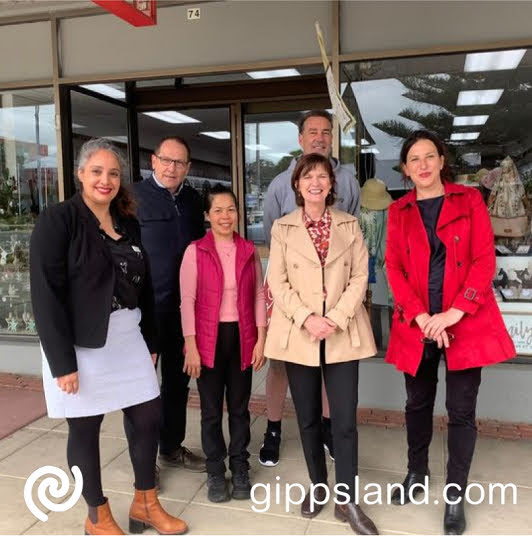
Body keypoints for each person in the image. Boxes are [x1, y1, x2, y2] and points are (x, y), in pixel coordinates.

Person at [30, 138, 187, 535]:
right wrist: (62, 363)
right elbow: (45, 295)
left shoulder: (126, 221)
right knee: (85, 428)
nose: (106, 180)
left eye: (113, 173)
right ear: (80, 173)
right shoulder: (58, 220)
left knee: (148, 416)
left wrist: (150, 341)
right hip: (80, 343)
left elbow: (144, 285)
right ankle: (97, 515)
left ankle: (145, 503)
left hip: (127, 336)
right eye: (97, 171)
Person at [384, 130, 516, 535]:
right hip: (419, 324)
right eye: (414, 159)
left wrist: (453, 313)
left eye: (430, 156)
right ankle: (416, 472)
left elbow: (483, 259)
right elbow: (394, 268)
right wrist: (423, 316)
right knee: (417, 404)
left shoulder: (469, 200)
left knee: (461, 410)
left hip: (465, 321)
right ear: (406, 169)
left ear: (442, 161)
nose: (423, 165)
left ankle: (455, 493)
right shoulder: (399, 211)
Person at [264, 153, 378, 535]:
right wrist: (307, 318)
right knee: (309, 417)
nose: (315, 182)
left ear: (332, 184)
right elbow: (277, 281)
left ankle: (347, 500)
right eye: (307, 176)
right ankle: (318, 485)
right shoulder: (282, 228)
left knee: (344, 421)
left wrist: (337, 317)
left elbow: (360, 275)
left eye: (322, 176)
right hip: (301, 333)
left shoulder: (349, 224)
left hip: (342, 332)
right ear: (297, 184)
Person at [260, 109, 361, 466]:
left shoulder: (348, 181)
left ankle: (329, 429)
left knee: (328, 364)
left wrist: (338, 309)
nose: (320, 137)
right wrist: (300, 310)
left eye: (326, 131)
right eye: (313, 131)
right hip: (292, 303)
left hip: (334, 304)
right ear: (300, 138)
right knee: (280, 366)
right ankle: (273, 428)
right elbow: (274, 241)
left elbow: (352, 241)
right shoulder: (278, 184)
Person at [179, 184, 267, 503]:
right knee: (211, 411)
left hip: (242, 337)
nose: (225, 216)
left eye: (231, 209)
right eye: (218, 210)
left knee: (240, 410)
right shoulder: (195, 252)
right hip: (208, 340)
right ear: (207, 215)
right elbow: (187, 301)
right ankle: (215, 471)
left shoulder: (248, 250)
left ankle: (240, 467)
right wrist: (191, 345)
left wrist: (261, 338)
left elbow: (258, 295)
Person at [134, 136, 206, 473]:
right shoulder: (133, 197)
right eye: (166, 160)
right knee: (142, 387)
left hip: (184, 310)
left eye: (179, 162)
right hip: (146, 311)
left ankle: (171, 447)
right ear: (153, 160)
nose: (172, 168)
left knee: (177, 383)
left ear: (187, 167)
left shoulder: (193, 200)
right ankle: (144, 462)